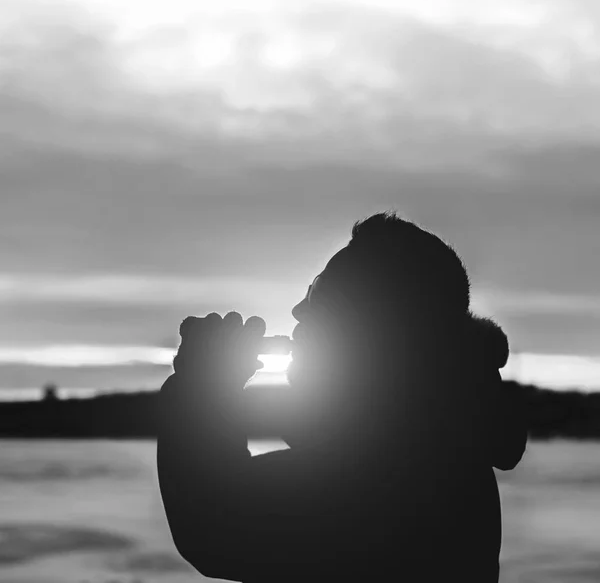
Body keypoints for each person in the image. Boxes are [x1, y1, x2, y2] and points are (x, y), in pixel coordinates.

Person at [157, 211, 528, 582]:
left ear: (376, 328)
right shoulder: (436, 440)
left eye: (321, 294)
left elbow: (217, 528)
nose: (298, 309)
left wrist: (201, 391)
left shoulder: (393, 469)